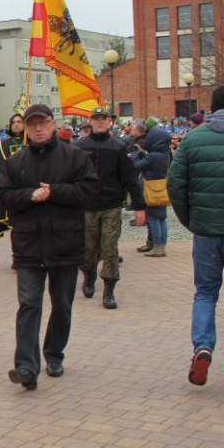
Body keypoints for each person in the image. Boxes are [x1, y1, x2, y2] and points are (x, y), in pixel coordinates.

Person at [0, 104, 99, 390]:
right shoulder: (16, 161)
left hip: (65, 243)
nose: (38, 129)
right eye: (32, 125)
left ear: (53, 124)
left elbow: (89, 190)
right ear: (25, 129)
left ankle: (54, 352)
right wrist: (30, 195)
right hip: (28, 245)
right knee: (29, 304)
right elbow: (2, 196)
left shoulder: (74, 156)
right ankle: (26, 367)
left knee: (62, 304)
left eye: (43, 123)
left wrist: (54, 192)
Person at [168, 85, 224, 387]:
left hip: (206, 231)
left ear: (211, 107)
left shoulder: (193, 139)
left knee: (206, 293)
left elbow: (175, 184)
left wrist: (190, 219)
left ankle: (203, 347)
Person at [75, 106, 145, 309]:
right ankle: (89, 275)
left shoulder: (118, 146)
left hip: (111, 206)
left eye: (103, 118)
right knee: (88, 248)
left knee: (110, 248)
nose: (100, 122)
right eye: (96, 118)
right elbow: (72, 176)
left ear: (110, 122)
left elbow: (130, 178)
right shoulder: (80, 146)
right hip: (87, 205)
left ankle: (109, 289)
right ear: (91, 121)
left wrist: (139, 206)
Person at [130, 118, 172, 258]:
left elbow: (137, 165)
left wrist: (136, 156)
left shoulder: (153, 155)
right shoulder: (164, 154)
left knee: (153, 218)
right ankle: (162, 246)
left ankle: (157, 247)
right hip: (161, 186)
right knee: (162, 218)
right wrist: (142, 154)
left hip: (151, 187)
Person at [0, 113, 26, 236]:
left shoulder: (31, 141)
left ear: (24, 124)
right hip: (12, 188)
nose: (17, 124)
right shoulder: (3, 144)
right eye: (14, 122)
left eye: (19, 122)